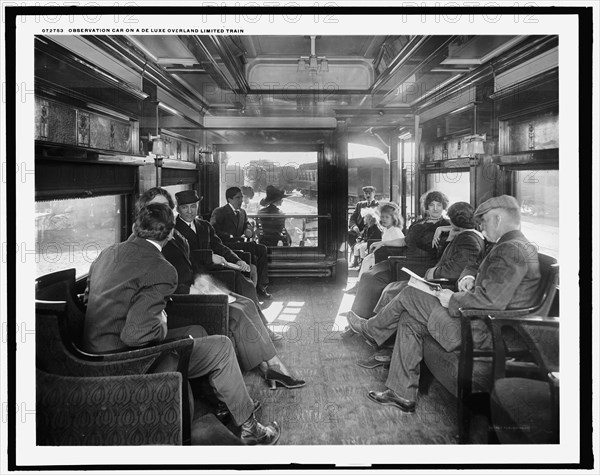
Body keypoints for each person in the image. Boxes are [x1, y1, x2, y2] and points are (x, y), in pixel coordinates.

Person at [82, 202, 281, 444]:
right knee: (222, 346)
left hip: (91, 351)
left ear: (136, 226)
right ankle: (251, 428)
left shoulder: (108, 252)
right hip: (124, 360)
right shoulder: (162, 268)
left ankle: (223, 403)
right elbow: (136, 335)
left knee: (196, 331)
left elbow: (90, 294)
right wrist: (162, 319)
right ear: (169, 234)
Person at [347, 195, 541, 413]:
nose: (482, 227)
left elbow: (491, 301)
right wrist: (468, 277)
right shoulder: (509, 245)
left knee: (411, 294)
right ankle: (402, 393)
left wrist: (453, 298)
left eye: (484, 221)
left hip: (482, 331)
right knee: (409, 318)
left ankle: (371, 329)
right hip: (476, 322)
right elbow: (478, 268)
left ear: (497, 219)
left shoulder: (511, 250)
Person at [138, 188, 304, 388]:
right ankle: (272, 366)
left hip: (198, 284)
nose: (162, 212)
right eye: (156, 208)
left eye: (165, 207)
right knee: (238, 311)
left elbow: (194, 259)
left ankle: (269, 364)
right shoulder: (150, 242)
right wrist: (200, 280)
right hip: (182, 299)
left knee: (247, 304)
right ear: (145, 212)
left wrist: (230, 263)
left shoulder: (174, 234)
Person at [349, 190, 451, 319]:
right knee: (367, 275)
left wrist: (442, 229)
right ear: (427, 207)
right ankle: (359, 318)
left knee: (374, 279)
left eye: (439, 205)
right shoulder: (419, 222)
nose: (435, 209)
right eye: (432, 205)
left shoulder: (447, 224)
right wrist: (383, 242)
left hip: (422, 265)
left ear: (444, 207)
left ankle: (366, 319)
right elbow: (404, 241)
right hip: (404, 260)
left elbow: (467, 228)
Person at [211, 187, 271, 299]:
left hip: (240, 243)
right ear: (229, 199)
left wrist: (249, 230)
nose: (241, 200)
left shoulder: (242, 212)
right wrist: (229, 236)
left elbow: (247, 225)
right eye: (238, 198)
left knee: (261, 249)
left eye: (241, 197)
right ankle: (254, 287)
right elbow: (213, 230)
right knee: (253, 248)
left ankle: (260, 286)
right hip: (226, 245)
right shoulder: (219, 212)